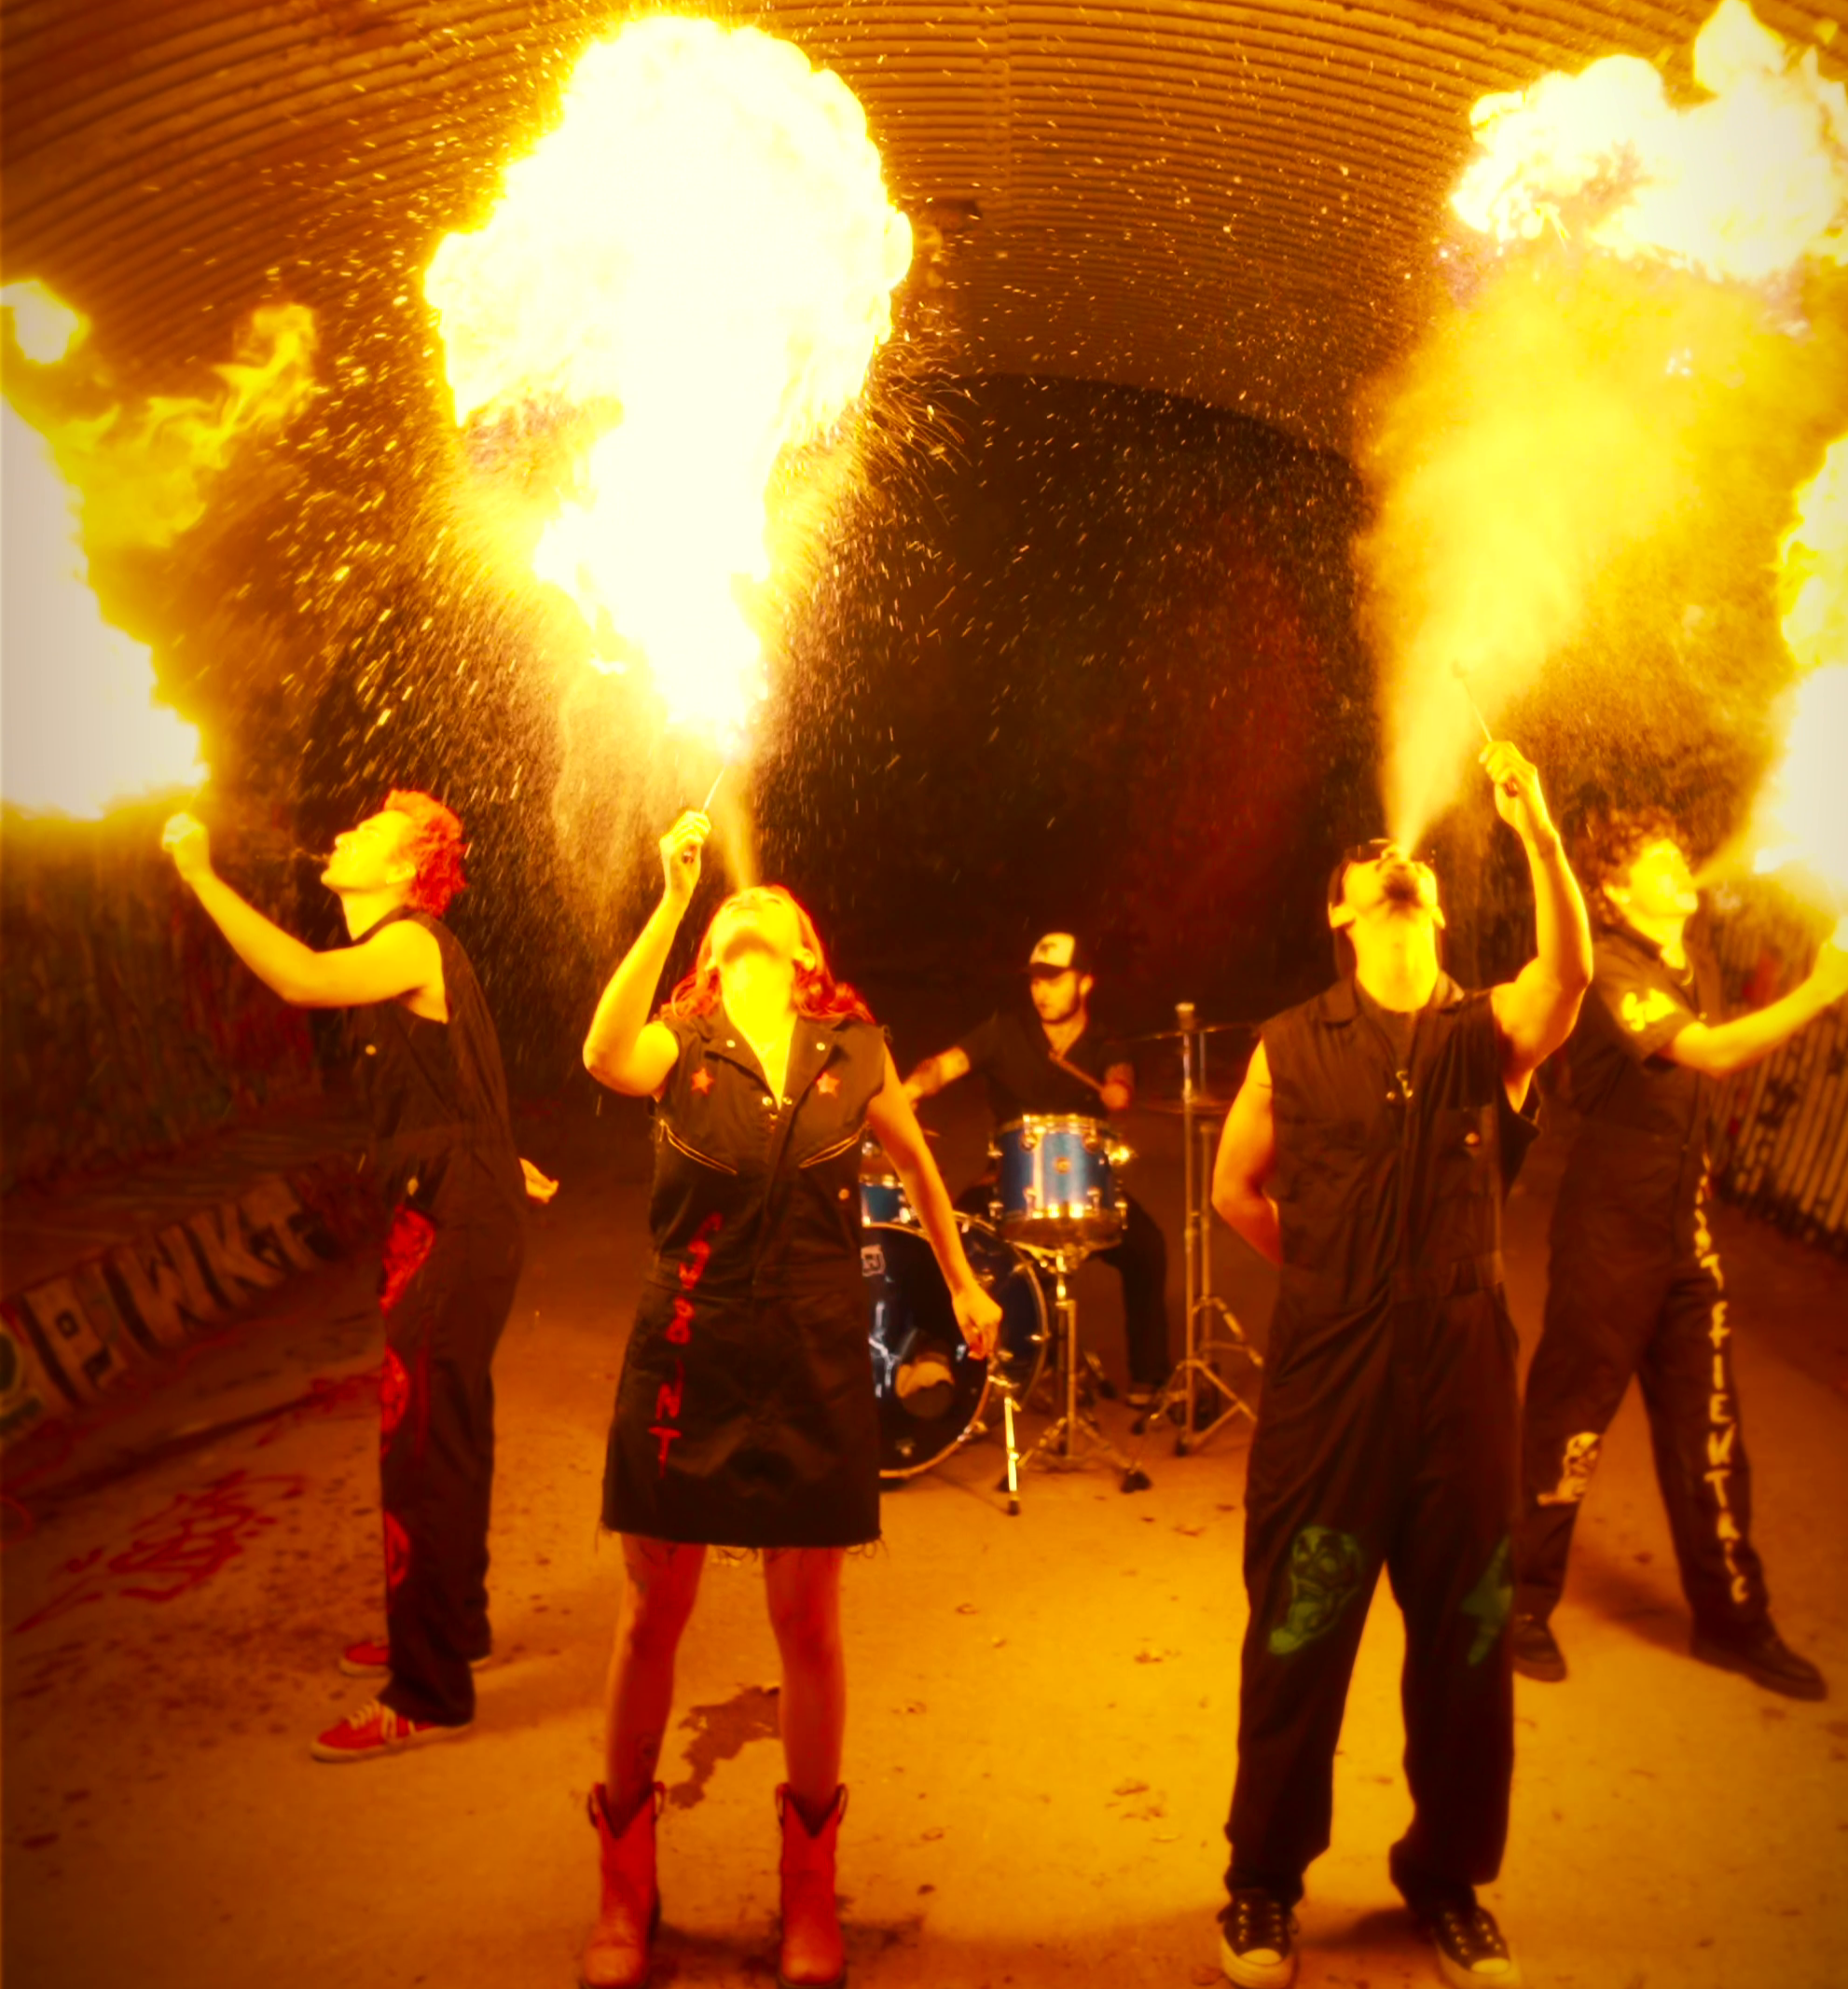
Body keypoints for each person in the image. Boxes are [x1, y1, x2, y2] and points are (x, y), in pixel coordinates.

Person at [576, 809, 1000, 1989]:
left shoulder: (852, 1048)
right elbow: (602, 1056)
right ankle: (625, 1889)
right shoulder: (679, 1039)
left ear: (809, 953)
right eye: (733, 909)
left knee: (808, 1623)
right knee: (650, 1615)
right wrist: (673, 900)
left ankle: (810, 1891)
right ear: (711, 954)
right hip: (687, 1344)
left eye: (772, 906)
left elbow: (916, 1163)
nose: (751, 903)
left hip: (814, 1348)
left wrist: (962, 1281)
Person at [1207, 741, 1592, 1989]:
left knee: (1470, 1641)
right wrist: (1331, 1272)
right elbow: (1234, 1190)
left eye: (1407, 860)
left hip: (1462, 1368)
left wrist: (1537, 833)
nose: (1393, 864)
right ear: (1341, 915)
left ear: (1434, 908)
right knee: (1300, 1631)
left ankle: (1449, 1881)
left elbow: (1568, 977)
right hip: (1332, 1372)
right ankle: (1263, 1885)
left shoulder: (1486, 1033)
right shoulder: (1289, 1044)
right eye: (1368, 865)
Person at [162, 793, 554, 1761]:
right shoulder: (402, 957)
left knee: (420, 1443)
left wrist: (200, 874)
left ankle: (426, 1692)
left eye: (369, 834)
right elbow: (460, 1079)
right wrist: (498, 1154)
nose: (342, 836)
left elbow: (300, 979)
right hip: (454, 1208)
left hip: (458, 1218)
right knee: (446, 1432)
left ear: (405, 871)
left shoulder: (412, 941)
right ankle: (449, 1628)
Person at [1510, 814, 1848, 1700]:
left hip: (1683, 1236)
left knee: (1710, 1434)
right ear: (1614, 891)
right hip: (1606, 1234)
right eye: (1657, 860)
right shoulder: (1608, 966)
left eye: (1679, 855)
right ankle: (1513, 1606)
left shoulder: (1691, 960)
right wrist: (1824, 986)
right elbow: (1711, 1055)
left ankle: (1733, 1622)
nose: (1680, 867)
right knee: (1569, 1426)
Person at [903, 931, 1173, 1405]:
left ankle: (1150, 1377)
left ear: (1084, 983)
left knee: (1148, 1249)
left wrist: (1120, 1089)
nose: (1041, 991)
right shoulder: (1004, 1031)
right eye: (1035, 981)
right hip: (1008, 1183)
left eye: (1054, 979)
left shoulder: (1104, 1041)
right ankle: (935, 1361)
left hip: (1085, 1189)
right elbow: (945, 1065)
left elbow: (1120, 1072)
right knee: (947, 1238)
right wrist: (910, 1090)